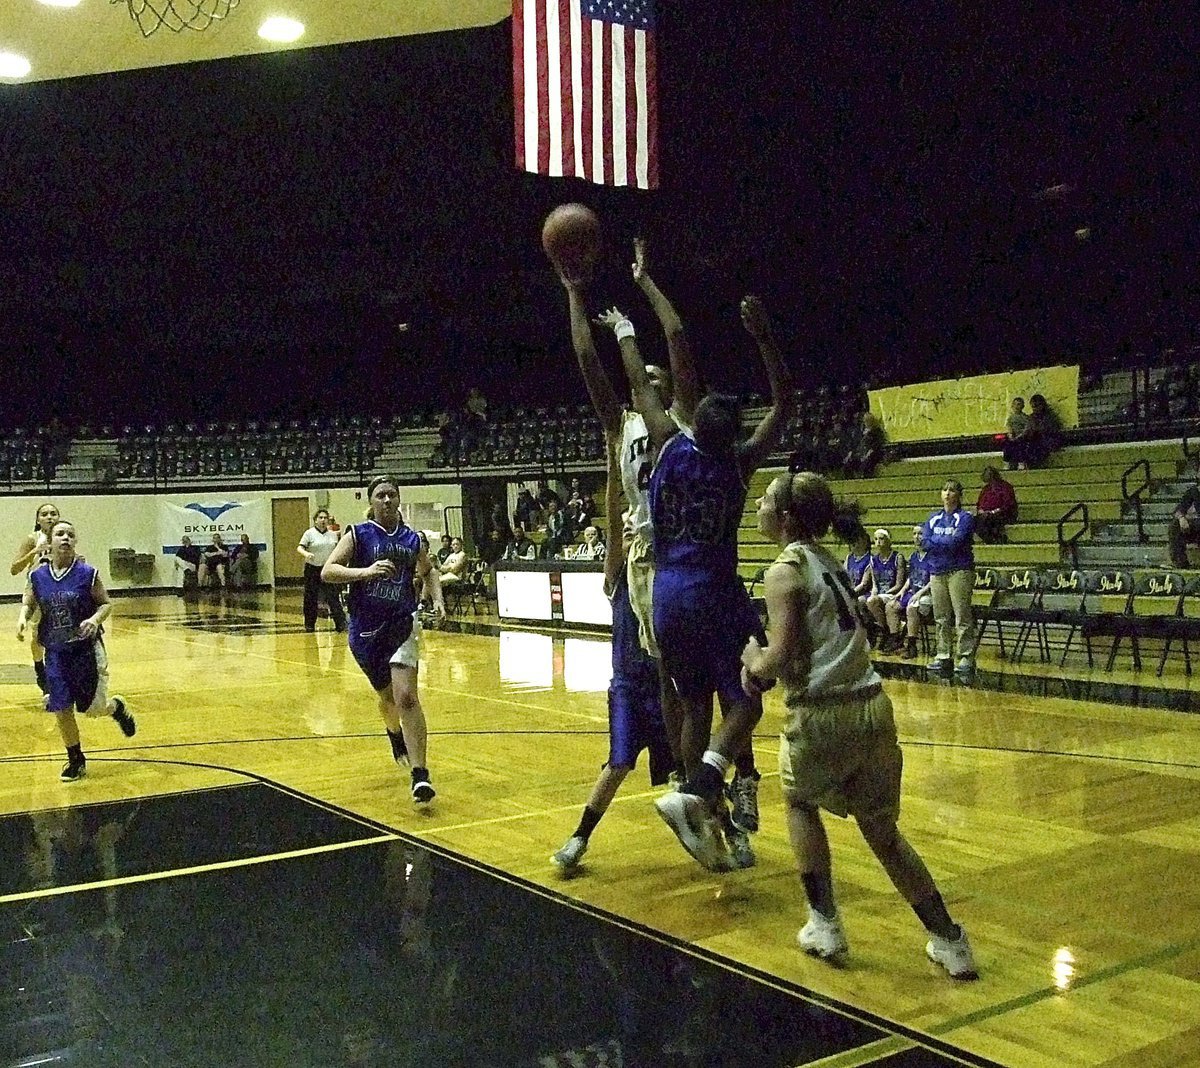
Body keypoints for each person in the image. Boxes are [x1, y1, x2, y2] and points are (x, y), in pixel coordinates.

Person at [738, 470, 978, 979]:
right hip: (872, 703)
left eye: (765, 499)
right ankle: (950, 940)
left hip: (823, 710)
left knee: (800, 802)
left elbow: (777, 657)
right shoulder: (831, 562)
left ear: (783, 518)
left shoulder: (784, 571)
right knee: (883, 832)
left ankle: (825, 922)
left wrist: (752, 661)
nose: (756, 504)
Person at [602, 292, 793, 872]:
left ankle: (695, 810)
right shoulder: (738, 462)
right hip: (715, 589)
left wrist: (624, 331)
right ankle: (705, 785)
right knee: (749, 702)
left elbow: (639, 384)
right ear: (732, 433)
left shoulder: (664, 442)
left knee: (691, 707)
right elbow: (784, 405)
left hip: (665, 590)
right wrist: (763, 338)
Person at [551, 437, 674, 872]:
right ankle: (579, 838)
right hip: (627, 687)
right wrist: (612, 459)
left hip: (667, 688)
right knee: (618, 762)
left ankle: (729, 831)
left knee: (688, 770)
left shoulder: (666, 575)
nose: (624, 532)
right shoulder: (616, 579)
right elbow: (613, 505)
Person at [322, 476, 444, 804]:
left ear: (399, 499)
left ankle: (420, 775)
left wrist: (437, 598)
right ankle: (394, 734)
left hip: (401, 623)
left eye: (392, 495)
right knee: (388, 699)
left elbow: (428, 569)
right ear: (372, 502)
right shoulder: (357, 534)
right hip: (364, 629)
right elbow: (328, 571)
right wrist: (364, 572)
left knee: (407, 697)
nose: (387, 500)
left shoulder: (412, 538)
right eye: (381, 495)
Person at [16, 519, 137, 782]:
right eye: (60, 534)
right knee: (61, 707)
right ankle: (75, 759)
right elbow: (29, 599)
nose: (65, 538)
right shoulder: (38, 576)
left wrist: (94, 620)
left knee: (92, 709)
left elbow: (106, 604)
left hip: (86, 651)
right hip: (56, 652)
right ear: (50, 541)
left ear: (75, 542)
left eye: (70, 534)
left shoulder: (87, 573)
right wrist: (23, 617)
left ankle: (115, 708)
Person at [920, 479, 977, 679]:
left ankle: (965, 656)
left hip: (959, 570)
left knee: (962, 615)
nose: (947, 493)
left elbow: (957, 541)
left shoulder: (966, 517)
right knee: (941, 617)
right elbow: (923, 542)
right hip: (936, 571)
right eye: (944, 489)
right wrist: (939, 542)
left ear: (959, 495)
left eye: (952, 490)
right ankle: (943, 654)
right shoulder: (933, 518)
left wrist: (935, 542)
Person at [10, 501, 60, 700]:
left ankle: (59, 677)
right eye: (45, 514)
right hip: (37, 591)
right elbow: (14, 569)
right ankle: (40, 670)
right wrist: (33, 553)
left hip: (59, 590)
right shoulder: (33, 539)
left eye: (53, 513)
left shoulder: (63, 537)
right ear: (38, 520)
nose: (49, 517)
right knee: (38, 636)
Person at [297, 508, 347, 632]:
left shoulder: (333, 535)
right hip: (312, 569)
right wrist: (306, 554)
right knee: (310, 597)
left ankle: (340, 624)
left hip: (328, 569)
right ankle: (309, 624)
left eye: (325, 518)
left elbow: (338, 550)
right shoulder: (309, 533)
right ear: (315, 520)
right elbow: (300, 547)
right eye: (320, 518)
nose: (323, 520)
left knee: (332, 596)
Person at [865, 529, 906, 651]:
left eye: (881, 539)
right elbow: (874, 583)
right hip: (881, 594)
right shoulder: (873, 559)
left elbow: (899, 584)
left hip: (893, 592)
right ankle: (885, 630)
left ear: (889, 541)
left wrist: (884, 593)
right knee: (870, 600)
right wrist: (875, 591)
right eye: (876, 539)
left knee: (873, 601)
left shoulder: (897, 557)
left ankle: (886, 632)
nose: (878, 542)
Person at [898, 526, 933, 659]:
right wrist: (902, 590)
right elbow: (911, 577)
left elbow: (933, 580)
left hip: (929, 594)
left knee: (912, 608)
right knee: (892, 606)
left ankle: (912, 646)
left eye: (920, 533)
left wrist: (920, 593)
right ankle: (897, 640)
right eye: (914, 533)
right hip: (914, 592)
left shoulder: (932, 556)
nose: (917, 536)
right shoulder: (913, 556)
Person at [1166, 460, 1200, 569]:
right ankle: (1181, 564)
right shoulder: (1194, 491)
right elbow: (1179, 508)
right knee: (1175, 526)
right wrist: (1181, 518)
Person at [975, 465, 1018, 544]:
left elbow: (1008, 504)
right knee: (976, 521)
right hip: (986, 515)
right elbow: (979, 504)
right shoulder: (985, 489)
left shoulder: (1005, 487)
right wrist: (981, 510)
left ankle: (997, 539)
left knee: (990, 519)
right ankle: (992, 539)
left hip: (1003, 514)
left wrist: (994, 512)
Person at [1022, 393, 1061, 468]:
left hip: (1046, 440)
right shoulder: (1031, 417)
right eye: (1033, 407)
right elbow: (1028, 430)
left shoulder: (1050, 417)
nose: (1035, 409)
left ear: (1042, 405)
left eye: (1037, 406)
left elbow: (1051, 431)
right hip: (1035, 441)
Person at [844, 530, 875, 610]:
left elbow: (864, 584)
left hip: (864, 593)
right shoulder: (849, 557)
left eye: (856, 540)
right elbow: (843, 576)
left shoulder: (870, 559)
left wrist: (850, 593)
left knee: (859, 601)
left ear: (865, 542)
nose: (853, 543)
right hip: (849, 591)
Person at [1001, 397, 1030, 470]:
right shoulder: (1011, 418)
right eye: (1015, 404)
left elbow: (1026, 429)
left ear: (1023, 406)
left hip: (1021, 437)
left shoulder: (1025, 417)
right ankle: (1006, 462)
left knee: (1021, 445)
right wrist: (1010, 435)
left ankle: (1021, 462)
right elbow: (1009, 426)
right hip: (1013, 437)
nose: (1017, 406)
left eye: (1019, 404)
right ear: (1012, 406)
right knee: (1007, 444)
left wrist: (1019, 436)